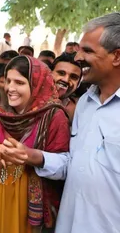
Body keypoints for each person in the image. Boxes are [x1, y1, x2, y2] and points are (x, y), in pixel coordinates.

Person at [26, 13, 120, 232]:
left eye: (87, 50)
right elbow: (75, 165)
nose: (77, 57)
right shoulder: (85, 103)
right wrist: (35, 156)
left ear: (117, 56)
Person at [0, 56, 70, 233]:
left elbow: (66, 168)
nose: (10, 88)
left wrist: (30, 156)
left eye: (19, 82)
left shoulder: (54, 119)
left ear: (36, 85)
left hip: (33, 212)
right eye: (8, 81)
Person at [51, 53, 82, 122]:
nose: (66, 80)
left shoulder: (78, 112)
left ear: (78, 84)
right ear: (49, 73)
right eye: (61, 73)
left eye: (73, 77)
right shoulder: (29, 100)